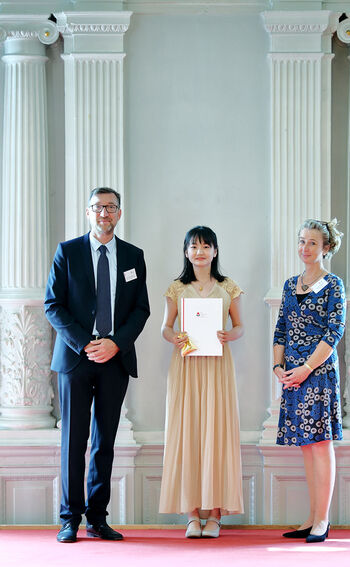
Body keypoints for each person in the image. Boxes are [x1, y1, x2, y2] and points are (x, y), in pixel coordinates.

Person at [45, 187, 150, 543]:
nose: (104, 213)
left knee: (105, 440)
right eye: (97, 207)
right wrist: (85, 343)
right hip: (76, 359)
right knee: (74, 440)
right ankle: (69, 519)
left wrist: (115, 344)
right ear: (88, 212)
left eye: (110, 207)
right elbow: (52, 305)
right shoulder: (68, 252)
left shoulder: (134, 256)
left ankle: (97, 518)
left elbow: (141, 310)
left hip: (114, 360)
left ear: (119, 213)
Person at [159, 226, 244, 538]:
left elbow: (240, 326)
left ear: (215, 251)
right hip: (186, 366)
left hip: (218, 366)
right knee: (188, 432)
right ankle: (192, 514)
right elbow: (165, 328)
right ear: (186, 252)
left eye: (206, 246)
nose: (200, 252)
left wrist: (229, 335)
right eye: (194, 246)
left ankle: (216, 515)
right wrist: (175, 338)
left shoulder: (228, 287)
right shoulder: (177, 288)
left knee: (218, 432)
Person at [273, 219, 346, 543]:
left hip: (319, 374)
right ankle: (311, 517)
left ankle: (323, 519)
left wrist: (305, 368)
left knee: (321, 445)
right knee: (306, 447)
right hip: (293, 378)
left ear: (326, 248)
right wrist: (278, 366)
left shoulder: (334, 285)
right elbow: (281, 330)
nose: (305, 248)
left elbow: (334, 332)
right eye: (302, 241)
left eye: (312, 243)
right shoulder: (290, 285)